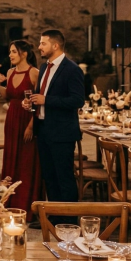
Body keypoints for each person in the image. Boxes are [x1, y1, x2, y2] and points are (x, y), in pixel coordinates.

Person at [24, 29, 85, 223]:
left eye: (43, 43)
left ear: (55, 45)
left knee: (64, 178)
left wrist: (46, 100)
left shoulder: (72, 69)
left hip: (62, 133)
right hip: (44, 130)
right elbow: (40, 95)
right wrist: (31, 103)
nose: (39, 47)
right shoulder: (44, 68)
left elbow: (77, 100)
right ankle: (54, 219)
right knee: (49, 177)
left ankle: (69, 221)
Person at [0, 40, 41, 220]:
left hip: (27, 120)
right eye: (10, 52)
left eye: (13, 52)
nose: (10, 55)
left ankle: (26, 205)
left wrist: (31, 126)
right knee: (11, 158)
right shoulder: (9, 72)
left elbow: (38, 102)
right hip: (12, 120)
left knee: (26, 161)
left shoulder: (34, 73)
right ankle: (9, 201)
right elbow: (8, 95)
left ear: (24, 53)